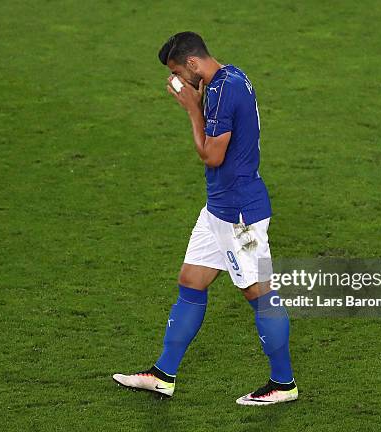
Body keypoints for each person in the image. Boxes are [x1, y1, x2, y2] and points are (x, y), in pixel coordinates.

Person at [112, 31, 297, 405]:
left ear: (193, 64)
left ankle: (284, 383)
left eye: (180, 71)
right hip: (218, 209)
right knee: (191, 279)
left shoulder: (223, 90)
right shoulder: (226, 80)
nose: (181, 80)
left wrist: (192, 110)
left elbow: (211, 155)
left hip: (240, 215)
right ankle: (163, 374)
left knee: (258, 293)